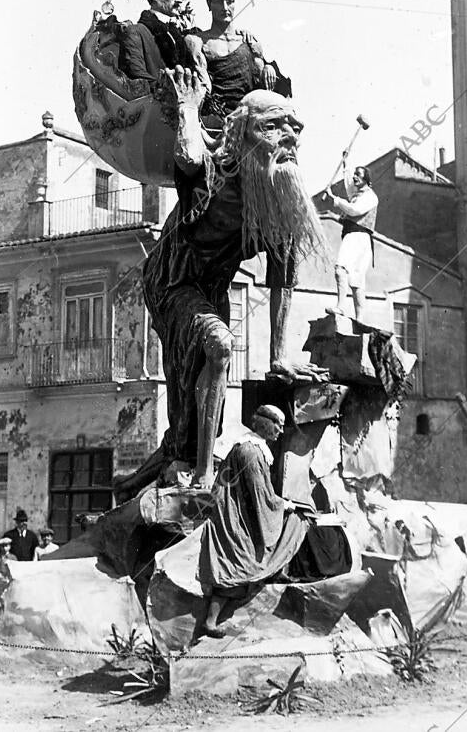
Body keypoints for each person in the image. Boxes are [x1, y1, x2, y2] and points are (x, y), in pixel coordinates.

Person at [114, 69, 328, 501]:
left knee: (190, 415)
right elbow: (190, 159)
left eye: (295, 127)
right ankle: (202, 476)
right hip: (171, 280)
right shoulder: (216, 172)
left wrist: (278, 358)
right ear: (243, 132)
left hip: (209, 290)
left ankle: (136, 481)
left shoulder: (277, 196)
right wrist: (189, 106)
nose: (288, 137)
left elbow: (282, 278)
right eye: (272, 126)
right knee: (221, 346)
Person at [199, 405, 307, 638]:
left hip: (236, 511)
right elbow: (260, 496)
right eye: (277, 424)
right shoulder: (252, 452)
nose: (280, 430)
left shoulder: (250, 447)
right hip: (234, 517)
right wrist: (282, 505)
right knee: (296, 520)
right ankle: (211, 620)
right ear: (264, 424)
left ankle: (276, 569)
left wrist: (276, 502)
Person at [185, 0, 289, 120]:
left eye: (229, 1)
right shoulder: (197, 40)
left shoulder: (248, 41)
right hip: (216, 115)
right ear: (209, 4)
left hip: (248, 114)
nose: (225, 7)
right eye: (218, 1)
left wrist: (268, 68)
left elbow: (261, 83)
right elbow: (203, 83)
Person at [322, 165, 378, 323]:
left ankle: (357, 317)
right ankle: (344, 309)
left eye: (358, 175)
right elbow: (348, 185)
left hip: (359, 237)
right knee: (345, 273)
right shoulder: (357, 193)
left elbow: (354, 210)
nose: (355, 177)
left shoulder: (370, 197)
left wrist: (335, 199)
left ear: (366, 179)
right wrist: (346, 164)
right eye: (354, 174)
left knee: (352, 277)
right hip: (352, 236)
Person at [118, 0, 193, 88]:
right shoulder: (136, 32)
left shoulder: (175, 33)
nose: (179, 0)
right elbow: (137, 76)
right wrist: (170, 92)